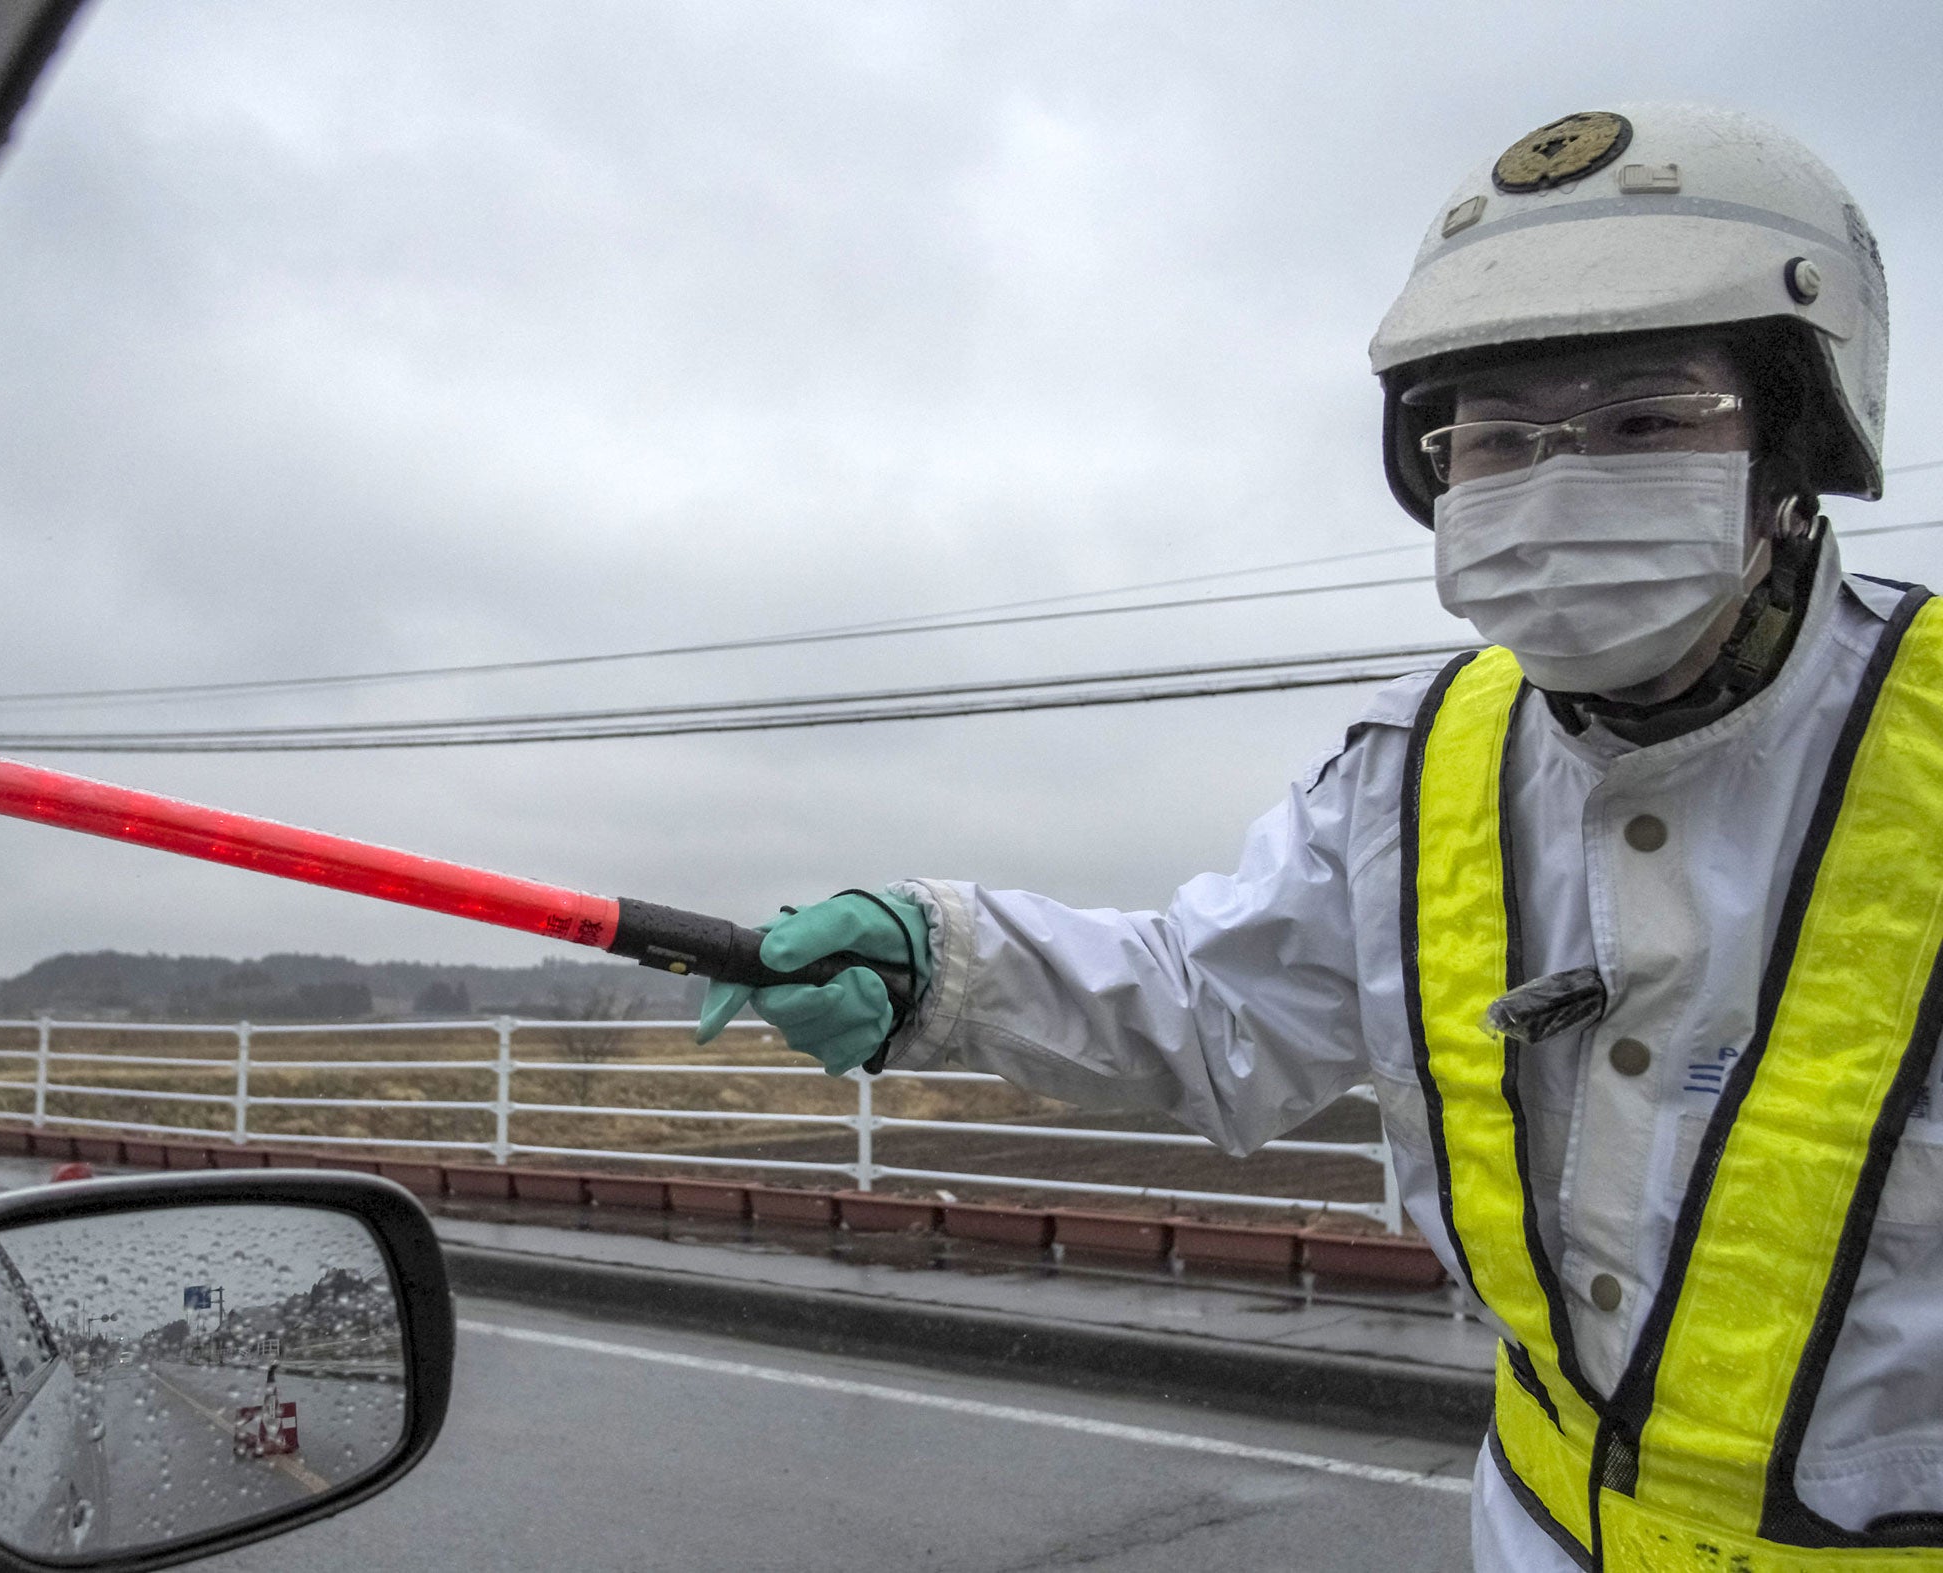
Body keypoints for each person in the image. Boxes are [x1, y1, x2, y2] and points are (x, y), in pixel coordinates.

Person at [701, 104, 1940, 1570]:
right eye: (1492, 436)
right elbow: (1219, 1010)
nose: (1552, 483)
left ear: (1797, 437)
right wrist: (944, 963)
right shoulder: (1421, 765)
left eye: (1646, 419)